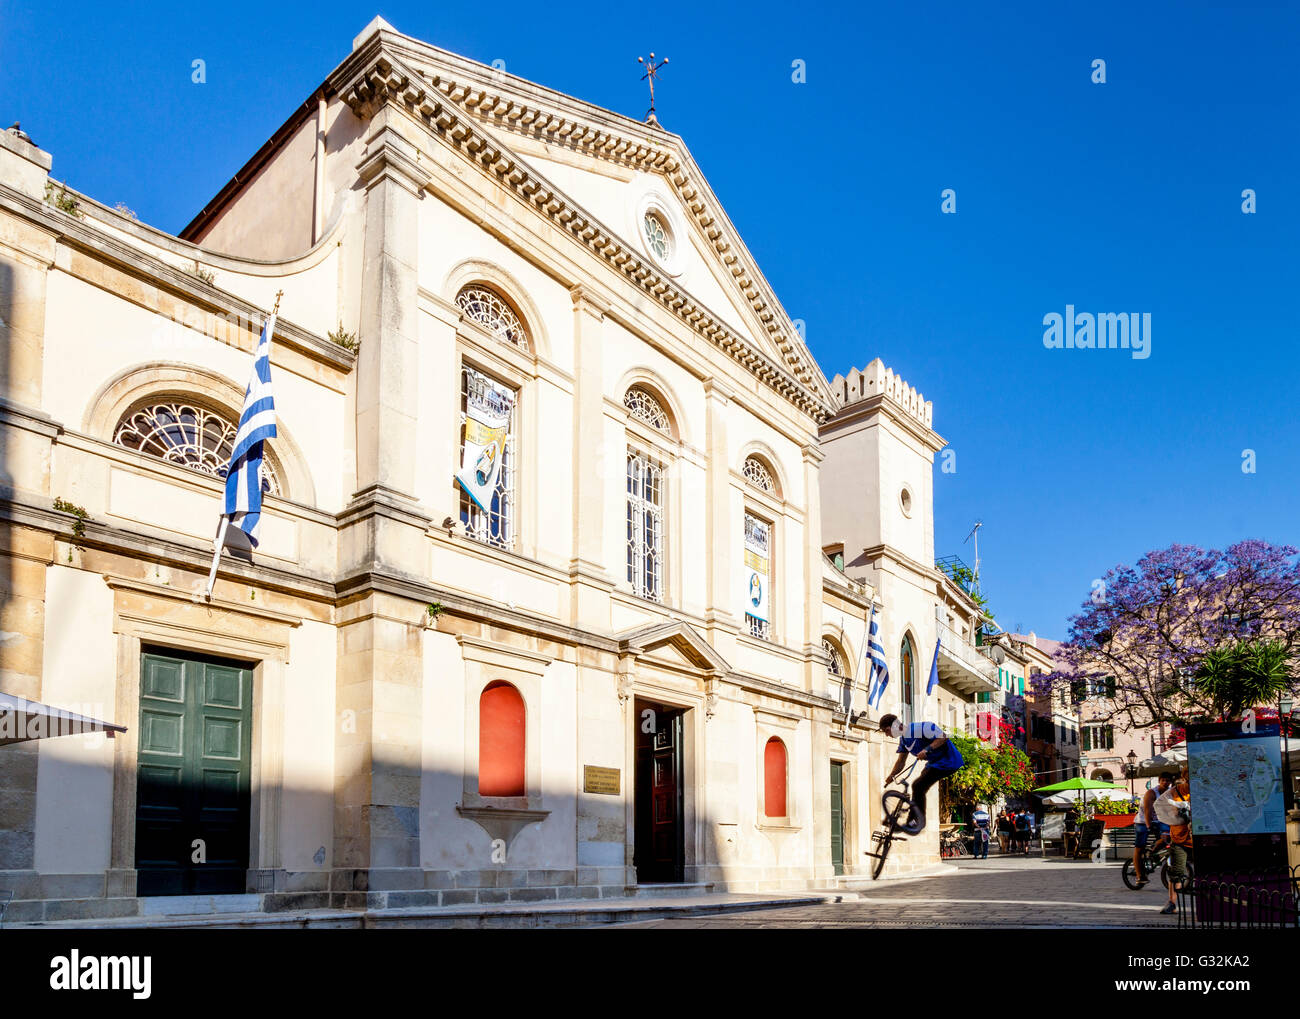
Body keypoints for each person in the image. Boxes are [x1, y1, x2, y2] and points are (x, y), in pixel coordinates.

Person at [879, 714, 966, 835]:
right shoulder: (903, 740)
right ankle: (911, 819)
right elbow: (901, 762)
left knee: (918, 785)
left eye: (887, 731)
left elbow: (943, 737)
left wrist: (927, 749)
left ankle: (917, 821)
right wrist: (891, 777)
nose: (887, 734)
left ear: (895, 725)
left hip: (949, 761)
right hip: (934, 764)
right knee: (919, 785)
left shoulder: (919, 729)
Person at [1154, 770, 1193, 915]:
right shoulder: (1175, 792)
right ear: (1184, 778)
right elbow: (1166, 811)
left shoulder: (1204, 790)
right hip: (1180, 837)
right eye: (1189, 778)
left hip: (1198, 837)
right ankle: (1172, 902)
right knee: (1175, 872)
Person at [1131, 772, 1174, 889]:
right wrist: (1150, 826)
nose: (1166, 782)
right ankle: (1140, 876)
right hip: (1143, 821)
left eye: (1168, 780)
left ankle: (1152, 851)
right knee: (1139, 847)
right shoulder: (1151, 793)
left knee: (1168, 836)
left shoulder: (1169, 794)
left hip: (1158, 820)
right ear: (1159, 781)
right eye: (1163, 780)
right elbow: (1147, 811)